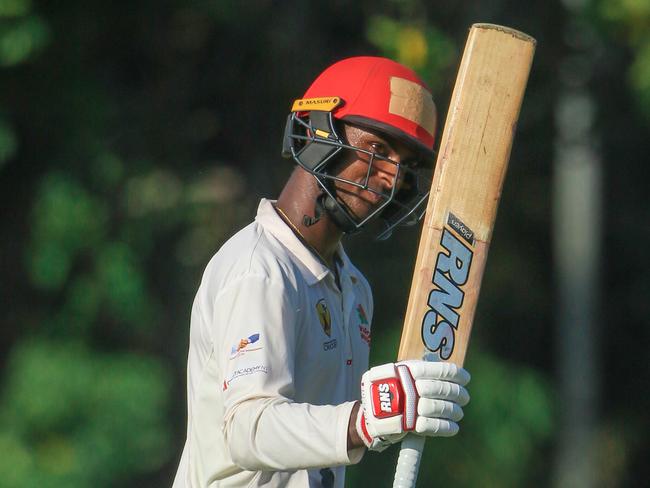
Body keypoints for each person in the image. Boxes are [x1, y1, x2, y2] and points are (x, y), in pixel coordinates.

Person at [172, 56, 471, 488]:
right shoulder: (261, 270)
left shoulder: (354, 288)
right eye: (378, 150)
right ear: (320, 131)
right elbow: (246, 429)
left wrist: (399, 411)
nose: (390, 178)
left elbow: (319, 451)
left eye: (406, 165)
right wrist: (366, 419)